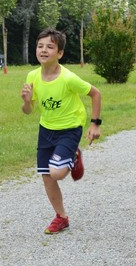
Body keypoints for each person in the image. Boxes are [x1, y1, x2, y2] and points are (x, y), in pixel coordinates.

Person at [21, 28, 102, 234]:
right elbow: (28, 111)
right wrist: (26, 101)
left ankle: (73, 156)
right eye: (40, 46)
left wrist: (94, 124)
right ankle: (61, 217)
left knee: (56, 173)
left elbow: (95, 93)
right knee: (46, 176)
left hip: (70, 128)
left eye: (50, 46)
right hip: (46, 129)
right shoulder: (32, 76)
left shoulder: (68, 78)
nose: (44, 50)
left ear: (60, 53)